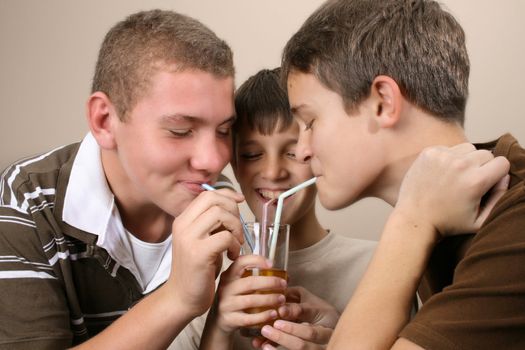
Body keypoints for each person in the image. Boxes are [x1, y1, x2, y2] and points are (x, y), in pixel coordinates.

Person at [279, 0, 523, 349]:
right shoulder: (446, 224)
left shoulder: (514, 223)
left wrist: (412, 220)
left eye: (309, 122)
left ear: (383, 102)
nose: (302, 150)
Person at [0, 9, 245, 349]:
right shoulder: (25, 202)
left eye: (223, 130)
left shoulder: (214, 198)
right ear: (104, 121)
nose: (214, 160)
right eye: (180, 130)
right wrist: (178, 298)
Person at [199, 68, 376, 350]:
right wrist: (217, 330)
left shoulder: (377, 268)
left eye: (292, 153)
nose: (272, 172)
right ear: (234, 162)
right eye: (252, 154)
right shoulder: (204, 270)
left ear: (318, 155)